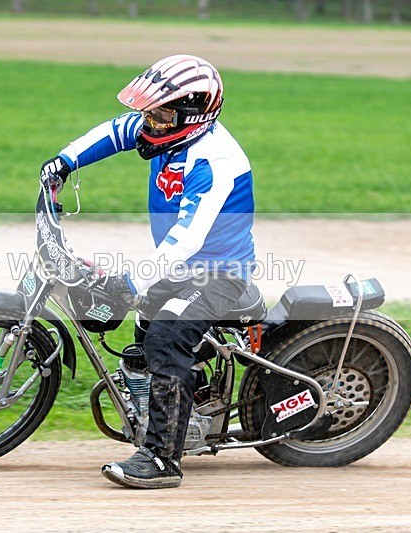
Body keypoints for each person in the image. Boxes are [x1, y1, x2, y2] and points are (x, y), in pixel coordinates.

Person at [40, 55, 256, 489]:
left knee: (164, 337)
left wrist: (133, 281)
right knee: (142, 325)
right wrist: (64, 162)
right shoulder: (163, 133)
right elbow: (112, 131)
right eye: (149, 111)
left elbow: (187, 239)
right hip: (180, 265)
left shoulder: (212, 161)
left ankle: (162, 460)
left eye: (160, 113)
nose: (149, 121)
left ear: (192, 115)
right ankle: (189, 397)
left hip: (217, 273)